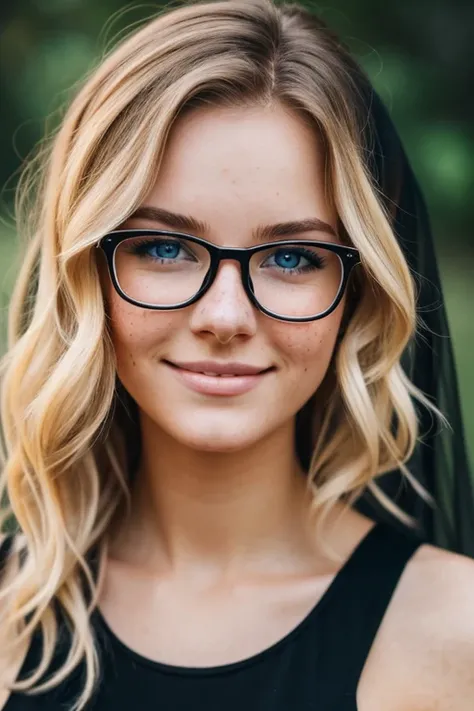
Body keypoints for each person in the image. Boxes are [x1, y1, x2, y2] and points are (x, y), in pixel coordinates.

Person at [0, 0, 473, 709]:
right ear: (88, 275)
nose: (225, 316)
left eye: (291, 255)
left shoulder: (455, 633)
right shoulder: (11, 615)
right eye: (163, 247)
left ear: (359, 292)